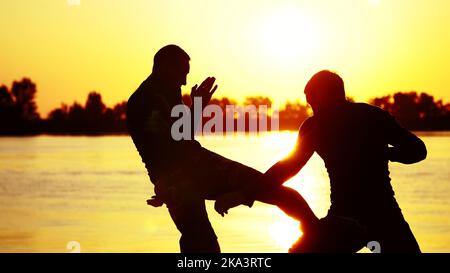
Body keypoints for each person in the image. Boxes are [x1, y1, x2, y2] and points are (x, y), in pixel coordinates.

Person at [126, 44, 318, 253]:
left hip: (197, 167)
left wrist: (198, 106)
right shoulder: (145, 100)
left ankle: (318, 234)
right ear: (164, 66)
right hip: (179, 179)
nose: (184, 81)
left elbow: (182, 135)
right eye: (182, 73)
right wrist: (163, 185)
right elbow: (168, 146)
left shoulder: (169, 89)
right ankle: (319, 234)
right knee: (201, 241)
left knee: (273, 189)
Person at [216, 70, 427, 253]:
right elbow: (417, 150)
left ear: (325, 96)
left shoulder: (317, 125)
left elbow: (288, 168)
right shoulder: (373, 115)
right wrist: (386, 154)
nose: (310, 106)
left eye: (312, 100)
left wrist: (244, 193)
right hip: (369, 215)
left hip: (357, 216)